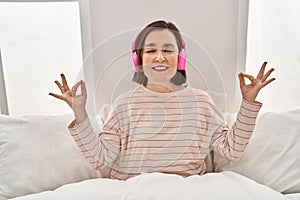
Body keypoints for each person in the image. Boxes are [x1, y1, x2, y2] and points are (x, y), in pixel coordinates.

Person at [49, 20, 275, 180]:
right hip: (132, 190)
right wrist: (79, 112)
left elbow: (231, 151)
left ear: (181, 58)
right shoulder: (123, 104)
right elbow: (101, 159)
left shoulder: (201, 102)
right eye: (150, 50)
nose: (159, 57)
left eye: (168, 50)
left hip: (186, 191)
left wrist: (248, 104)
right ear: (138, 59)